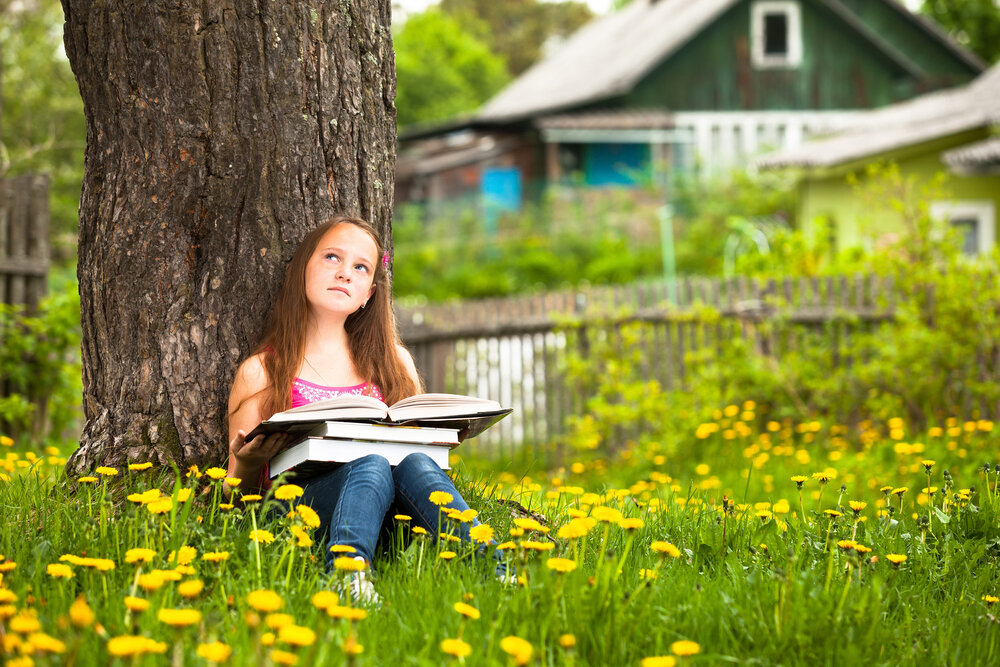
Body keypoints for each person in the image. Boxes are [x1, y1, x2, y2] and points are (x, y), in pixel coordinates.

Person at [225, 215, 499, 604]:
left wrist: (442, 435)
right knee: (369, 462)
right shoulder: (263, 371)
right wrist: (250, 462)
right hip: (298, 515)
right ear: (303, 267)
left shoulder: (393, 362)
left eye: (359, 267)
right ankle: (347, 576)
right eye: (332, 258)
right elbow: (235, 495)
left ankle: (495, 571)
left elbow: (414, 454)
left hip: (386, 513)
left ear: (368, 293)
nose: (344, 274)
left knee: (417, 464)